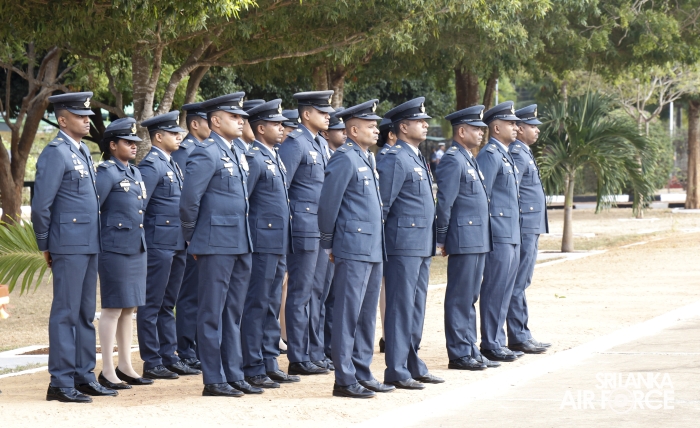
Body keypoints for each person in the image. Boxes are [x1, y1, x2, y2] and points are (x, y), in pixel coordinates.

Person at [32, 92, 115, 403]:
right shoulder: (56, 152)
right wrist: (45, 244)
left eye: (87, 116)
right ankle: (60, 381)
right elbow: (41, 206)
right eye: (80, 116)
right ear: (63, 120)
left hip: (88, 242)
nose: (87, 120)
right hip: (67, 244)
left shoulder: (81, 152)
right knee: (65, 313)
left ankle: (83, 375)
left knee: (84, 313)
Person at [180, 92, 258, 397]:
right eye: (234, 117)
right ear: (215, 121)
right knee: (211, 312)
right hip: (214, 243)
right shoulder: (206, 152)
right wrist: (193, 236)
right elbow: (189, 201)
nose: (240, 121)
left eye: (241, 117)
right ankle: (213, 378)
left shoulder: (236, 152)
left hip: (240, 241)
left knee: (233, 312)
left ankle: (233, 373)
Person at [318, 99, 394, 398]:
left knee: (366, 316)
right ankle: (344, 378)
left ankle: (362, 371)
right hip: (352, 246)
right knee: (347, 314)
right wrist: (329, 243)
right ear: (353, 130)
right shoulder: (344, 158)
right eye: (370, 126)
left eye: (376, 126)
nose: (376, 130)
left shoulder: (366, 158)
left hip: (372, 246)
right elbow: (328, 205)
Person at [377, 97, 444, 390]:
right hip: (402, 244)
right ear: (403, 127)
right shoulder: (395, 158)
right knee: (400, 307)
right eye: (420, 121)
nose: (426, 125)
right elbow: (382, 206)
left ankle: (412, 362)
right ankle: (396, 368)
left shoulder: (415, 156)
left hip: (420, 244)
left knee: (416, 307)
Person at [137, 111, 201, 380]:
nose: (179, 137)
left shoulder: (171, 163)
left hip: (176, 242)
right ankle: (152, 360)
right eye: (173, 134)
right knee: (152, 303)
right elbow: (139, 206)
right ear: (158, 137)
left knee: (167, 303)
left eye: (179, 133)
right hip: (158, 243)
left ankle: (168, 355)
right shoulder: (152, 165)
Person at [240, 99, 299, 388]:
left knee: (272, 304)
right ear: (260, 128)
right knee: (257, 304)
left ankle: (269, 360)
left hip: (278, 242)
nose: (282, 128)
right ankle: (252, 365)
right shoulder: (254, 158)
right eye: (276, 124)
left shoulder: (273, 156)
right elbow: (244, 202)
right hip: (261, 242)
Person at [436, 106, 499, 371]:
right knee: (459, 297)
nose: (481, 133)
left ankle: (470, 347)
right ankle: (459, 353)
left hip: (477, 237)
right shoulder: (453, 159)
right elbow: (445, 202)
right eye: (476, 129)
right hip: (463, 237)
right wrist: (442, 237)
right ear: (461, 132)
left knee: (470, 296)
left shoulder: (468, 158)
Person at [277, 90, 335, 376]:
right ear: (306, 114)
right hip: (303, 227)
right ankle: (298, 356)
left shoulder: (320, 143)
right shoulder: (295, 142)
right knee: (300, 293)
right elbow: (281, 188)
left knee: (317, 292)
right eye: (322, 112)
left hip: (320, 228)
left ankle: (315, 350)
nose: (328, 116)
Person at [95, 118, 153, 390]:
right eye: (127, 142)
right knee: (112, 309)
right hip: (114, 248)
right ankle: (107, 369)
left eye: (134, 142)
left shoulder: (135, 172)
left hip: (136, 246)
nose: (133, 146)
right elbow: (93, 208)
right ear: (112, 145)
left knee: (129, 308)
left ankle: (125, 365)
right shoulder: (107, 172)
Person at [475, 101, 523, 363]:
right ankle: (490, 343)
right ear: (496, 128)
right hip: (498, 233)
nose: (516, 127)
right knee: (495, 287)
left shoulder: (505, 154)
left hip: (511, 232)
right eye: (511, 123)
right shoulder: (490, 155)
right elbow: (483, 197)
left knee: (505, 288)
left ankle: (498, 340)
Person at [507, 105, 550, 353]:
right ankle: (518, 335)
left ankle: (522, 332)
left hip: (531, 225)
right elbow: (511, 192)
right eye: (532, 126)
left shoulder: (524, 151)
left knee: (523, 280)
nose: (537, 131)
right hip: (523, 225)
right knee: (518, 281)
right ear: (520, 129)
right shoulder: (517, 153)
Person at [173, 102, 210, 371]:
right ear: (195, 124)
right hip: (189, 233)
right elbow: (184, 198)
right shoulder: (184, 152)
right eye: (208, 120)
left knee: (202, 293)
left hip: (206, 233)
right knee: (189, 295)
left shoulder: (206, 150)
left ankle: (196, 346)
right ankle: (186, 349)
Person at [311, 107, 347, 368]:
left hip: (338, 234)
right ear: (327, 133)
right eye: (339, 129)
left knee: (333, 295)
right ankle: (315, 350)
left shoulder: (338, 156)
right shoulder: (324, 152)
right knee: (318, 292)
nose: (344, 133)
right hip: (317, 231)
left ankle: (328, 348)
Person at [375, 116, 397, 354]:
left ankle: (387, 334)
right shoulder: (386, 158)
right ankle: (386, 335)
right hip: (389, 231)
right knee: (385, 286)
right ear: (391, 135)